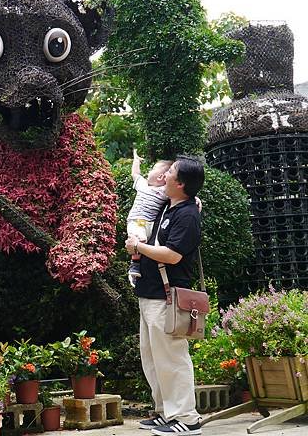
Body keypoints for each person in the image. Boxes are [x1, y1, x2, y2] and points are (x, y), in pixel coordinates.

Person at [125, 156, 205, 436]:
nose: (163, 176)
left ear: (181, 183)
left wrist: (138, 246)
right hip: (149, 293)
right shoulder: (166, 207)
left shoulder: (187, 215)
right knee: (152, 357)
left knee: (172, 357)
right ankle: (164, 411)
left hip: (169, 297)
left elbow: (172, 255)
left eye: (170, 172)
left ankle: (187, 418)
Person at [126, 149, 173, 285]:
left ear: (160, 177)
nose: (149, 172)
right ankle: (134, 265)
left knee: (148, 243)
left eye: (153, 169)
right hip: (136, 221)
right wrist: (136, 160)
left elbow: (181, 193)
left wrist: (195, 199)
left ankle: (142, 267)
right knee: (139, 239)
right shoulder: (143, 185)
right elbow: (135, 174)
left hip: (151, 223)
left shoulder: (165, 191)